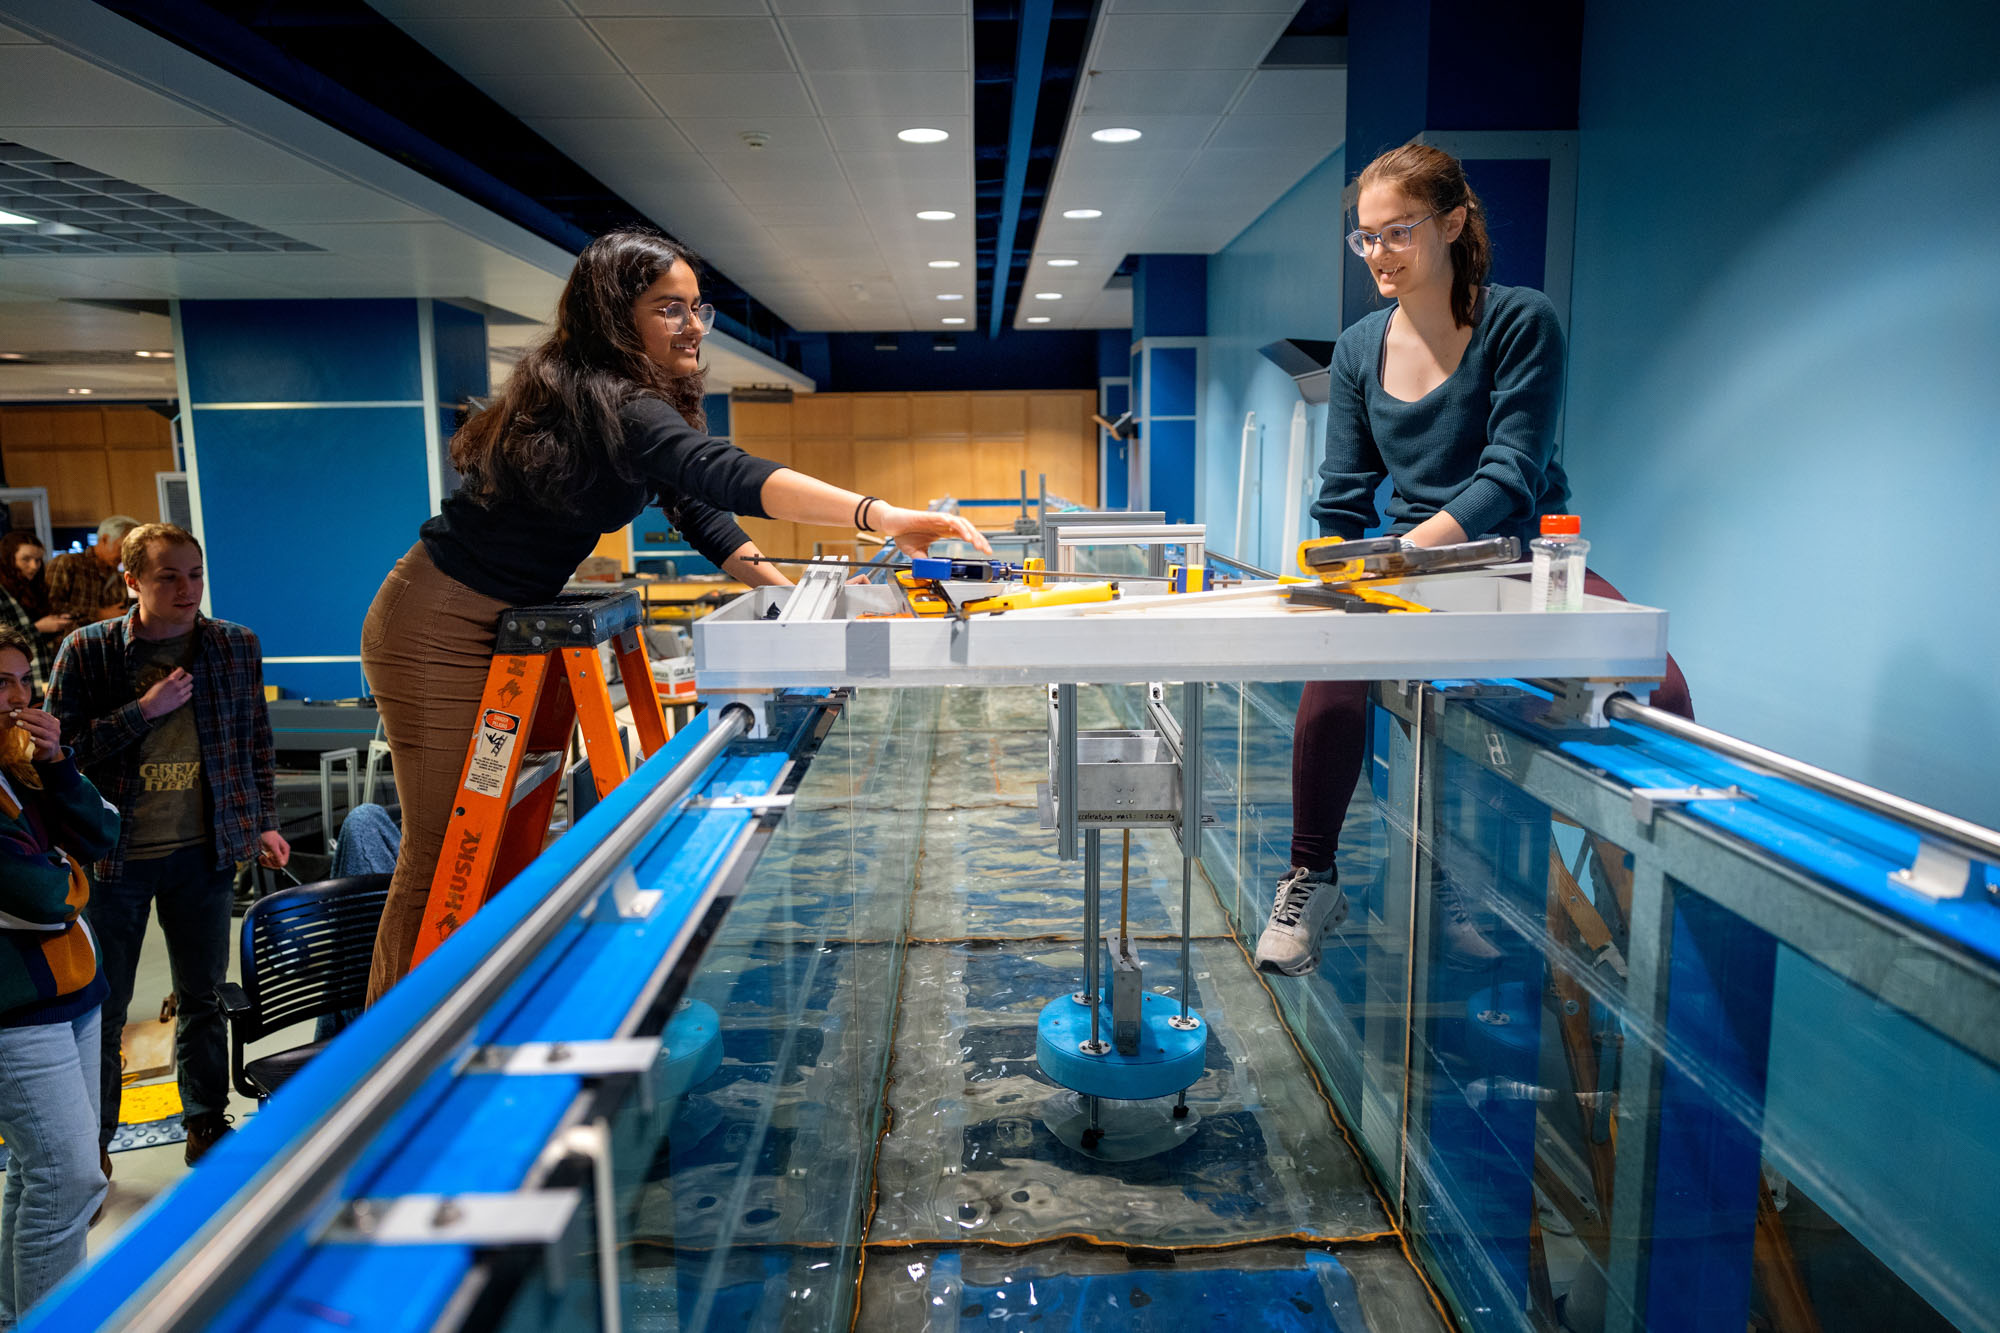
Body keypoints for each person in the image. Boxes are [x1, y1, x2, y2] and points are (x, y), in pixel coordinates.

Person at [362, 228, 988, 1002]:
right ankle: (385, 1042)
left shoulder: (629, 401)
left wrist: (791, 599)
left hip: (500, 618)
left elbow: (701, 511)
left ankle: (475, 1001)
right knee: (444, 855)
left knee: (493, 848)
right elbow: (722, 473)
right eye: (669, 309)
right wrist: (879, 514)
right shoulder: (610, 401)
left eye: (697, 308)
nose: (693, 325)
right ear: (613, 317)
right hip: (437, 624)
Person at [1253, 144, 1694, 977]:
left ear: (1453, 223)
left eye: (1398, 231)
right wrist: (1326, 576)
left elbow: (1509, 474)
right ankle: (1313, 875)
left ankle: (1650, 890)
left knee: (1661, 687)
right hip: (1405, 565)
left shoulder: (1521, 320)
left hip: (1518, 558)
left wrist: (1401, 553)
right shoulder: (1358, 348)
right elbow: (1343, 493)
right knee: (1331, 669)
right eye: (1366, 237)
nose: (1378, 253)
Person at [46, 523, 291, 1168]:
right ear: (132, 581)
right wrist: (143, 711)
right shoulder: (88, 651)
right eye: (168, 577)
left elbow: (254, 740)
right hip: (113, 858)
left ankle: (204, 1122)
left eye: (195, 574)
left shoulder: (234, 645)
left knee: (203, 996)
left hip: (203, 853)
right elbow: (57, 756)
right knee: (104, 1007)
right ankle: (93, 1144)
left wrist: (263, 821)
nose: (187, 589)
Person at [0, 629, 119, 1328]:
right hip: (17, 1011)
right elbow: (44, 896)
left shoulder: (21, 769)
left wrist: (58, 763)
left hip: (74, 991)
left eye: (25, 681)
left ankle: (15, 1316)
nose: (18, 700)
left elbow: (102, 835)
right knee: (71, 1179)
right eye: (1, 684)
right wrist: (69, 874)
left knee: (36, 1173)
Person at [0, 534, 79, 699]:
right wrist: (38, 628)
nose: (34, 566)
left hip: (39, 678)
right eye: (26, 559)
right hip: (13, 684)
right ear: (8, 559)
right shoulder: (3, 592)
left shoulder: (33, 589)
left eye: (38, 560)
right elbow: (5, 639)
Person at [45, 515, 138, 627]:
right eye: (121, 548)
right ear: (105, 539)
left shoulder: (118, 576)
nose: (125, 556)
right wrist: (98, 614)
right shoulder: (67, 563)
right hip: (71, 637)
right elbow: (51, 605)